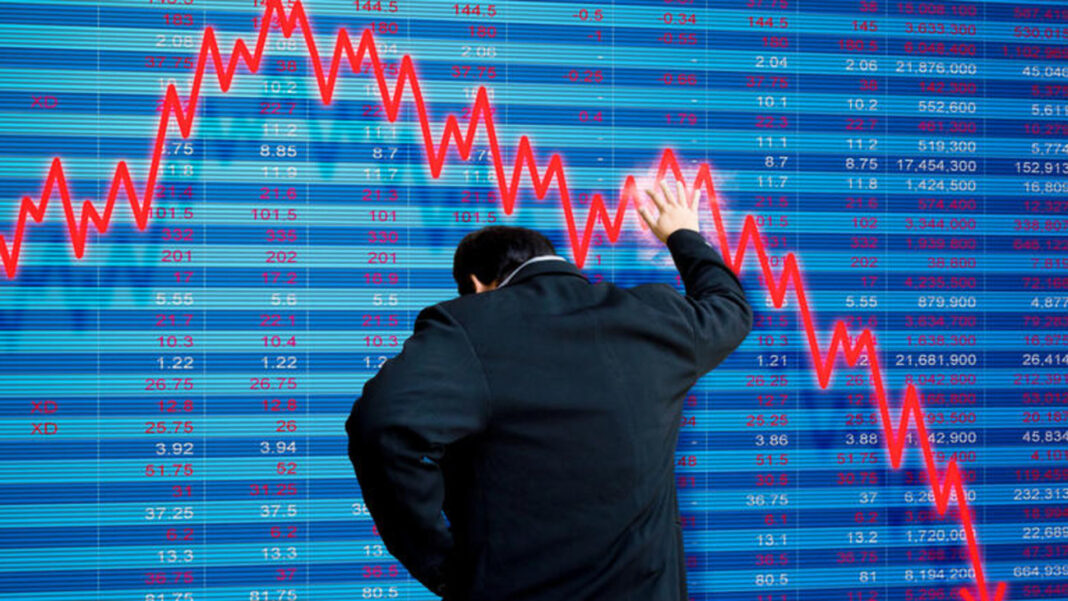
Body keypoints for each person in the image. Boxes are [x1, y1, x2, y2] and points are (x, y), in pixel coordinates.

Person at [346, 181, 753, 600]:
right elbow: (730, 307)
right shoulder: (657, 315)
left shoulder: (468, 325)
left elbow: (383, 426)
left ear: (477, 284)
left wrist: (442, 564)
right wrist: (683, 233)